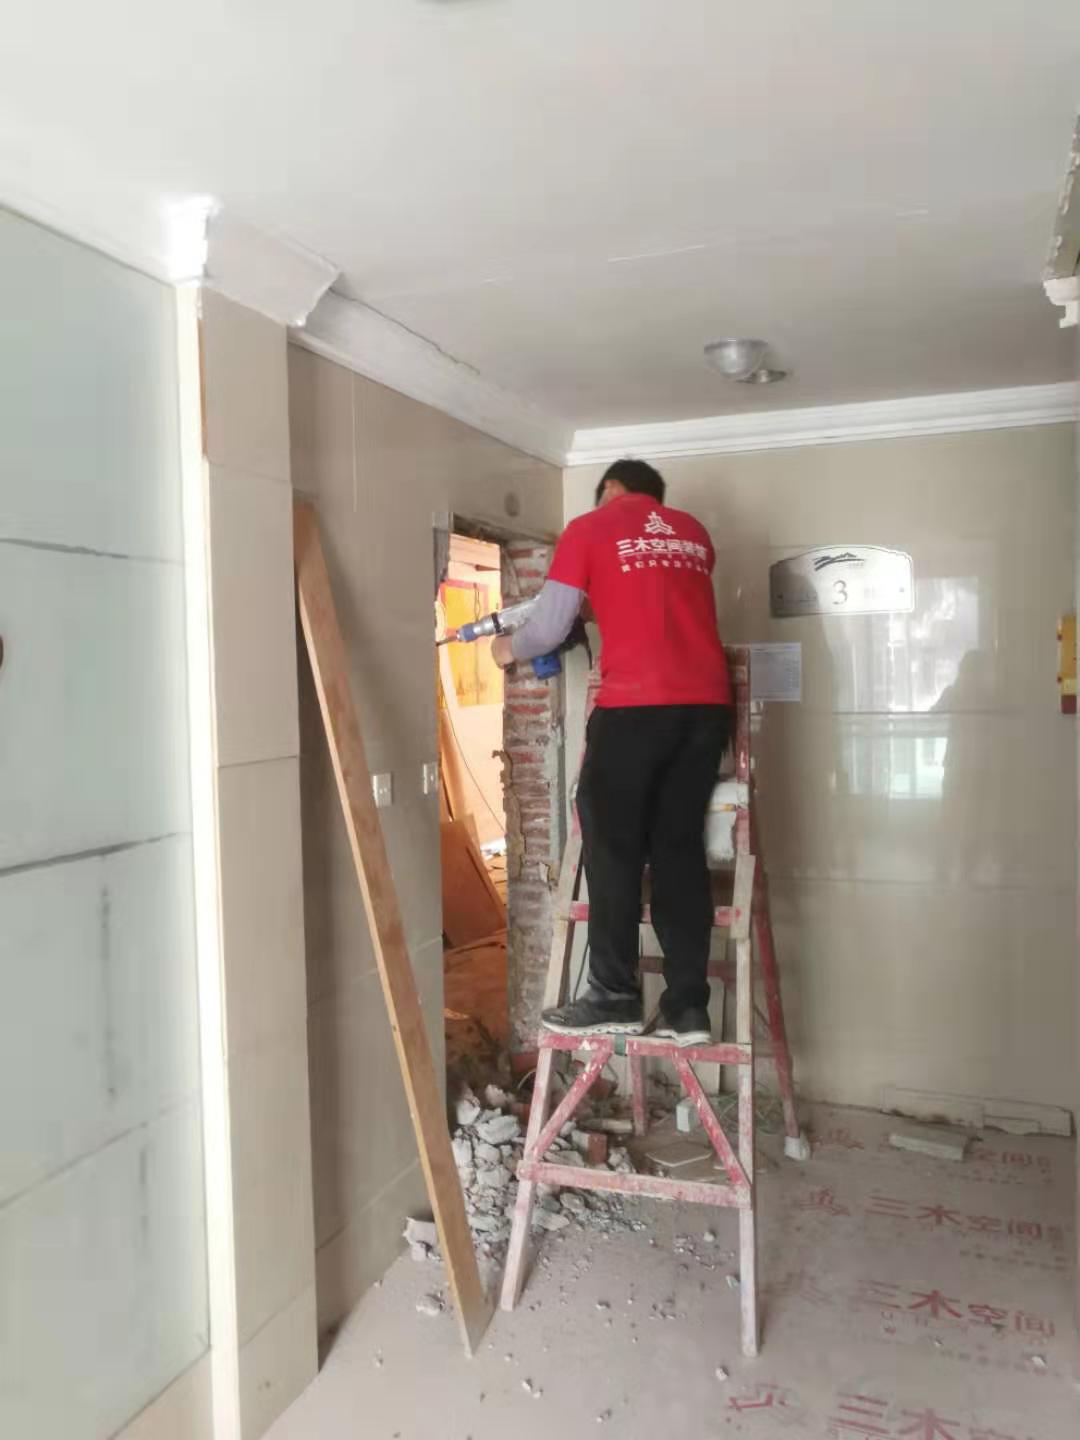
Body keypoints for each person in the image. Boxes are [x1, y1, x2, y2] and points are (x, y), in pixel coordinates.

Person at [491, 458, 732, 1046]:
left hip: (635, 708)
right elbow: (657, 601)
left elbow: (548, 629)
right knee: (677, 847)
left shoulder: (589, 528)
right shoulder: (694, 534)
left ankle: (614, 995)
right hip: (706, 708)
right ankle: (688, 1009)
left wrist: (508, 648)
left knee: (612, 841)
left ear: (612, 490)